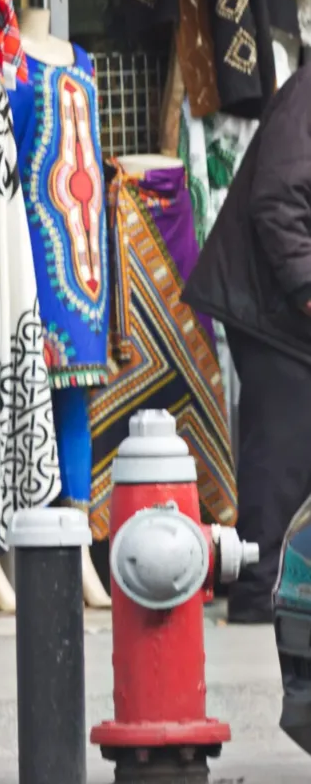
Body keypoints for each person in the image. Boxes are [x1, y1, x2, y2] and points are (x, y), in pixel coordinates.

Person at [183, 64, 311, 627]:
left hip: (286, 304)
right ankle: (258, 593)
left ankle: (281, 589)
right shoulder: (308, 97)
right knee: (282, 450)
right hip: (272, 303)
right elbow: (277, 202)